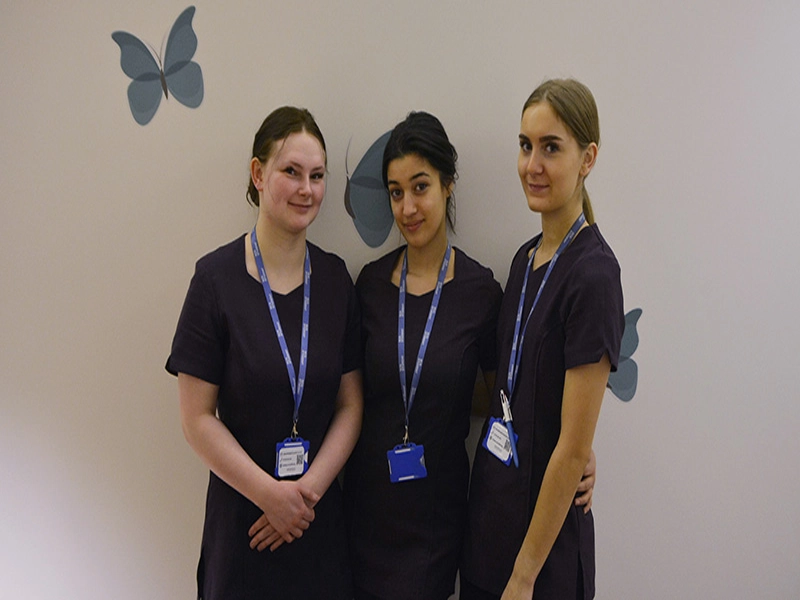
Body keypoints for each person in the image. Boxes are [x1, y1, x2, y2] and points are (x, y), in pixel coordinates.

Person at [342, 112, 597, 600]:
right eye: (396, 192)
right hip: (366, 515)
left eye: (420, 187)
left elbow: (510, 398)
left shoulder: (482, 292)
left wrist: (578, 445)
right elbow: (347, 398)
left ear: (448, 185)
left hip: (439, 524)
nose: (408, 207)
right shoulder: (369, 286)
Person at [166, 106, 363, 599]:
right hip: (245, 528)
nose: (306, 189)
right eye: (291, 172)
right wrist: (269, 496)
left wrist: (303, 497)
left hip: (317, 525)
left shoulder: (336, 281)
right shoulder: (214, 281)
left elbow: (351, 404)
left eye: (317, 176)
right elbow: (196, 419)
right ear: (258, 173)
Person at [460, 79, 625, 600]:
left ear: (587, 158)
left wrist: (524, 576)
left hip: (540, 562)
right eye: (525, 145)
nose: (532, 164)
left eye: (551, 147)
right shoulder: (524, 260)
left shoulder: (594, 276)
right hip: (491, 529)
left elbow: (572, 450)